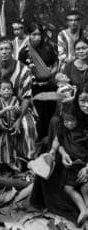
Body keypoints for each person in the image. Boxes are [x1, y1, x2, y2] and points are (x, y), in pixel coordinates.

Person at [30, 82, 88, 227]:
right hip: (75, 162)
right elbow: (60, 138)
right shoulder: (74, 115)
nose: (86, 105)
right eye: (83, 100)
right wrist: (61, 153)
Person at [0, 38, 37, 160]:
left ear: (12, 50)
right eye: (1, 49)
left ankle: (28, 160)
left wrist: (19, 119)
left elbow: (26, 97)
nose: (4, 52)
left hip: (20, 108)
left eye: (7, 48)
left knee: (28, 126)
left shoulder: (24, 69)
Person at [19, 22, 57, 141]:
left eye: (39, 34)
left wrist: (50, 73)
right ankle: (38, 143)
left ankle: (50, 142)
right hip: (33, 90)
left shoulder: (48, 47)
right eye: (34, 34)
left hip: (49, 87)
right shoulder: (24, 51)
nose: (37, 37)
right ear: (29, 35)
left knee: (50, 115)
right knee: (38, 117)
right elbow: (20, 70)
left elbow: (55, 64)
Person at [57, 103, 88, 225]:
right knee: (68, 188)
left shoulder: (84, 133)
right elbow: (58, 144)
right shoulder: (63, 131)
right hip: (72, 166)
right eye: (66, 121)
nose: (69, 124)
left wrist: (87, 167)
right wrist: (64, 153)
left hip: (84, 165)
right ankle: (83, 210)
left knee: (85, 187)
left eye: (72, 121)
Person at [0, 79, 22, 169]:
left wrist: (17, 109)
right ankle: (5, 163)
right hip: (2, 128)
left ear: (12, 91)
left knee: (14, 145)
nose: (7, 90)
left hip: (13, 127)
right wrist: (5, 109)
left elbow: (19, 113)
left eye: (9, 89)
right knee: (3, 145)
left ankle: (16, 161)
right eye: (4, 89)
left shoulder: (15, 99)